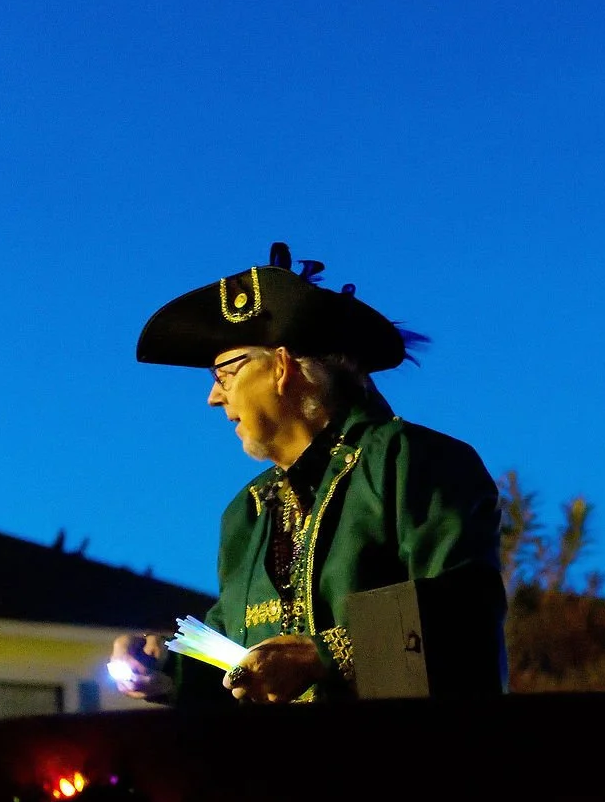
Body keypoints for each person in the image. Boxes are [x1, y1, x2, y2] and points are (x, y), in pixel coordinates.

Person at [110, 245, 506, 705]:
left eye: (224, 374)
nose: (213, 399)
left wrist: (322, 655)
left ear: (282, 366)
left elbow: (463, 610)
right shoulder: (247, 513)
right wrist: (166, 667)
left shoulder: (413, 460)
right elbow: (236, 656)